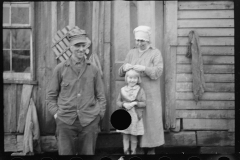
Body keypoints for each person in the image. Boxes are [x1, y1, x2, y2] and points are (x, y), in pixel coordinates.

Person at [46, 28, 106, 155]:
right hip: (65, 121)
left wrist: (99, 115)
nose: (81, 49)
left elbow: (101, 96)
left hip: (89, 121)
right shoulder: (60, 69)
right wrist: (57, 114)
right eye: (77, 45)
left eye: (83, 45)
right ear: (70, 47)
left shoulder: (93, 69)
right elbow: (51, 96)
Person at [118, 25, 165, 154]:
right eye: (137, 40)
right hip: (133, 95)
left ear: (148, 40)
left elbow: (158, 72)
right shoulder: (131, 52)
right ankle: (135, 150)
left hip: (150, 94)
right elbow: (121, 73)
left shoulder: (155, 53)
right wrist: (124, 67)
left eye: (142, 40)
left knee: (149, 121)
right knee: (134, 120)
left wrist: (144, 69)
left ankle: (150, 149)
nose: (139, 43)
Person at [116, 69, 146, 155]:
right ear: (126, 78)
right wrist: (124, 104)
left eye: (135, 78)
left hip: (135, 116)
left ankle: (133, 154)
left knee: (133, 137)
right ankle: (126, 153)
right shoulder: (122, 90)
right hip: (124, 116)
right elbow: (118, 102)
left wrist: (135, 103)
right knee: (125, 136)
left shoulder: (140, 90)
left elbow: (144, 103)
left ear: (138, 79)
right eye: (130, 78)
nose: (132, 80)